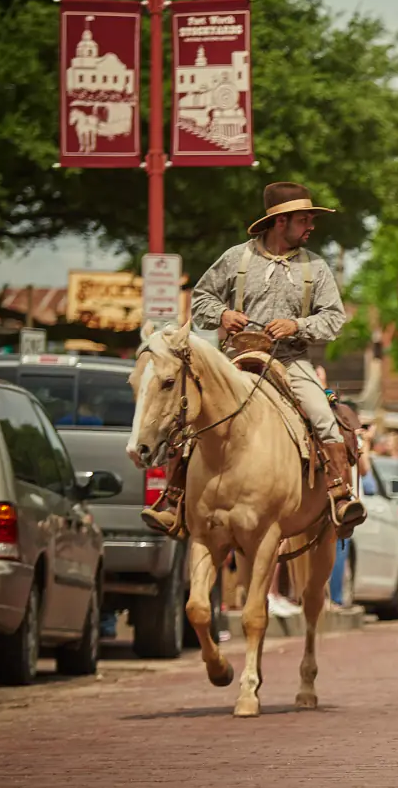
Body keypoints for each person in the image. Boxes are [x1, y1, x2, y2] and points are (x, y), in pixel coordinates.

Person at [147, 182, 365, 535]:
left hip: (290, 361)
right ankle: (173, 501)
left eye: (311, 219)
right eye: (304, 219)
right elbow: (201, 299)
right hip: (235, 359)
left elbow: (334, 319)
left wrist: (297, 325)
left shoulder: (316, 266)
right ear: (280, 222)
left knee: (323, 416)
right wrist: (222, 315)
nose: (311, 226)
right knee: (189, 418)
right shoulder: (236, 258)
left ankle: (340, 495)